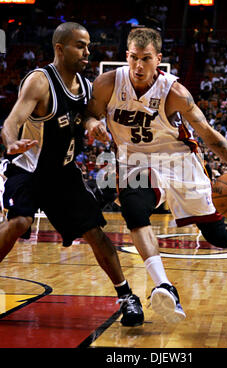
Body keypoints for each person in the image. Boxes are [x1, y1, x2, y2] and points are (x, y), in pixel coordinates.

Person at [85, 27, 227, 323]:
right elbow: (89, 114)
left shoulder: (174, 92)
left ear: (159, 59)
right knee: (133, 207)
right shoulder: (108, 83)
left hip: (180, 164)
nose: (139, 66)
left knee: (216, 234)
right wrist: (91, 125)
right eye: (133, 58)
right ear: (126, 56)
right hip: (136, 162)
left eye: (146, 59)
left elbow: (209, 134)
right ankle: (164, 285)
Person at [0, 22, 144, 327]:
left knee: (94, 231)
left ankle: (127, 296)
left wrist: (94, 126)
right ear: (60, 48)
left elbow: (88, 115)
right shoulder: (40, 82)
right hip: (27, 170)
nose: (87, 52)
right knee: (19, 222)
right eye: (80, 45)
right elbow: (11, 121)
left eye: (88, 46)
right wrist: (12, 142)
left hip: (63, 175)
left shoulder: (86, 86)